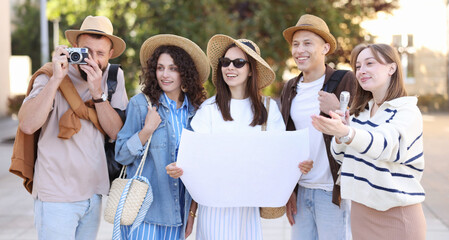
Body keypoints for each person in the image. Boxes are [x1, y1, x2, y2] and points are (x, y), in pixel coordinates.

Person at [16, 15, 128, 239]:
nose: (92, 61)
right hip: (56, 195)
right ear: (75, 47)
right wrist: (57, 79)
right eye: (87, 51)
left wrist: (98, 94)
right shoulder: (51, 73)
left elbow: (117, 133)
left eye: (100, 54)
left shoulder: (113, 77)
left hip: (93, 193)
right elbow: (27, 124)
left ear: (111, 54)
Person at [166, 34, 287, 239]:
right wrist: (180, 168)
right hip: (213, 205)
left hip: (248, 205)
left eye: (239, 63)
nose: (230, 67)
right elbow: (196, 158)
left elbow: (279, 156)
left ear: (251, 71)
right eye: (225, 62)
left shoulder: (269, 109)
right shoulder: (209, 109)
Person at [311, 43, 426, 239]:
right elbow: (341, 157)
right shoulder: (361, 112)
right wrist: (341, 134)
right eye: (358, 66)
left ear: (392, 68)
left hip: (397, 215)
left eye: (369, 63)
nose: (361, 71)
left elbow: (385, 145)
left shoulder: (407, 111)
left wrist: (348, 133)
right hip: (361, 212)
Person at [115, 34, 209, 239]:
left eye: (173, 68)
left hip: (178, 215)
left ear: (185, 72)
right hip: (143, 214)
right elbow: (121, 154)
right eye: (160, 67)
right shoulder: (141, 105)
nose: (165, 74)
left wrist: (191, 213)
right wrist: (146, 130)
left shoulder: (196, 111)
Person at [280, 14, 356, 239]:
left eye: (307, 43)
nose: (299, 50)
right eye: (295, 44)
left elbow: (362, 129)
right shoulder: (290, 88)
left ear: (325, 48)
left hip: (332, 193)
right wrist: (289, 190)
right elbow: (286, 141)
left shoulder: (345, 80)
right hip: (301, 191)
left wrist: (339, 110)